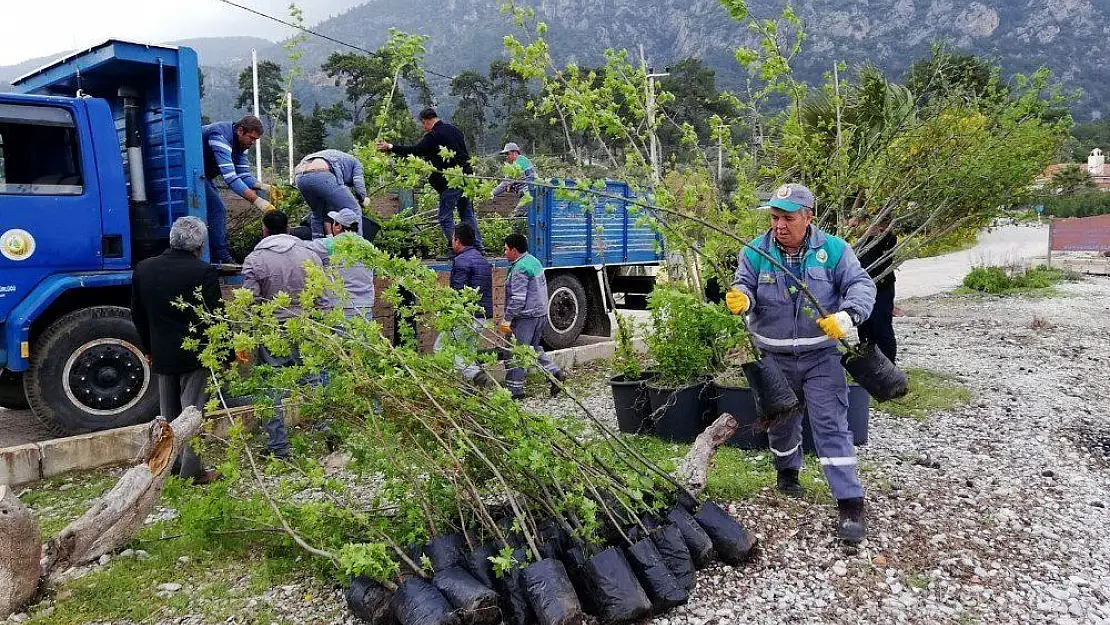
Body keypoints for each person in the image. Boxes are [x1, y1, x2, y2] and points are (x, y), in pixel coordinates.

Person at [725, 183, 876, 545]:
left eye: (788, 218)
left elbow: (861, 285)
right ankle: (787, 474)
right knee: (781, 421)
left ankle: (850, 503)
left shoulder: (835, 251)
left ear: (808, 217)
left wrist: (848, 316)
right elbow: (743, 284)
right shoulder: (756, 252)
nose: (779, 225)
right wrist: (742, 299)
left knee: (830, 423)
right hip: (773, 357)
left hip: (820, 355)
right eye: (775, 217)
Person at [131, 216, 221, 484]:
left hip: (161, 352)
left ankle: (169, 466)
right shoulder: (202, 272)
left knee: (168, 417)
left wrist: (147, 347)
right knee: (192, 414)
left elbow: (138, 313)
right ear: (200, 244)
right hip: (195, 354)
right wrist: (224, 353)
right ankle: (192, 471)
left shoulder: (144, 269)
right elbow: (215, 316)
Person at [242, 210, 324, 459]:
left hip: (273, 331)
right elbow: (321, 295)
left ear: (264, 230)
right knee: (315, 380)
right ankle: (329, 433)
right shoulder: (310, 255)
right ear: (289, 228)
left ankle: (278, 447)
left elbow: (250, 301)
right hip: (306, 326)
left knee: (271, 388)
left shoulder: (254, 260)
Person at [376, 108, 481, 253]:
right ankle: (477, 248)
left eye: (423, 125)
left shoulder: (433, 136)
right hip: (467, 177)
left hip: (451, 181)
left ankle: (457, 248)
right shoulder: (454, 130)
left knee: (445, 216)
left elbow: (415, 150)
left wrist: (391, 147)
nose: (423, 128)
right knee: (467, 214)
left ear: (425, 121)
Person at [500, 233, 565, 399]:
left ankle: (515, 392)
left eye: (506, 249)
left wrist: (507, 318)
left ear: (514, 250)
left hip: (525, 318)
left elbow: (518, 299)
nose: (504, 252)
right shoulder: (534, 261)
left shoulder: (520, 269)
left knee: (516, 353)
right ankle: (554, 372)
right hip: (540, 315)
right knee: (533, 348)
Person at [202, 115, 274, 263]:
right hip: (193, 172)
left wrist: (266, 187)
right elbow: (231, 178)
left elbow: (244, 175)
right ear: (240, 131)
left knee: (215, 210)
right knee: (217, 210)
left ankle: (215, 253)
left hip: (205, 175)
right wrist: (259, 202)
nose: (253, 143)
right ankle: (220, 256)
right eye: (252, 138)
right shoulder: (219, 137)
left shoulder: (242, 145)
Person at [433, 222, 494, 386]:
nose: (451, 242)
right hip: (482, 317)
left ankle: (474, 374)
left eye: (452, 238)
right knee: (467, 353)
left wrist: (445, 312)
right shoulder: (482, 259)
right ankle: (468, 389)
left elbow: (458, 292)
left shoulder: (461, 261)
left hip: (465, 317)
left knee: (441, 348)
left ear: (458, 241)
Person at [304, 208, 376, 318]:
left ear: (338, 226)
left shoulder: (330, 244)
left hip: (341, 306)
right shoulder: (369, 246)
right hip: (365, 306)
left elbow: (302, 247)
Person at [295, 149, 370, 238]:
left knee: (317, 214)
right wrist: (362, 198)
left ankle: (317, 245)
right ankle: (357, 246)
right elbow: (358, 183)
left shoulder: (340, 157)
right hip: (321, 173)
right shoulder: (357, 164)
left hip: (300, 177)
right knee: (354, 209)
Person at [854, 215, 898, 363]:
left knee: (881, 326)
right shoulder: (858, 238)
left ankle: (888, 364)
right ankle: (868, 363)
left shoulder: (888, 238)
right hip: (860, 288)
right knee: (864, 326)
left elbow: (887, 257)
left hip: (881, 287)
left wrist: (878, 233)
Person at [491, 142, 536, 216]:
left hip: (527, 194)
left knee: (518, 216)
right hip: (529, 193)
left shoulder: (518, 163)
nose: (506, 156)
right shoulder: (523, 160)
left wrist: (492, 193)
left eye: (507, 154)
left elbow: (506, 183)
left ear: (514, 153)